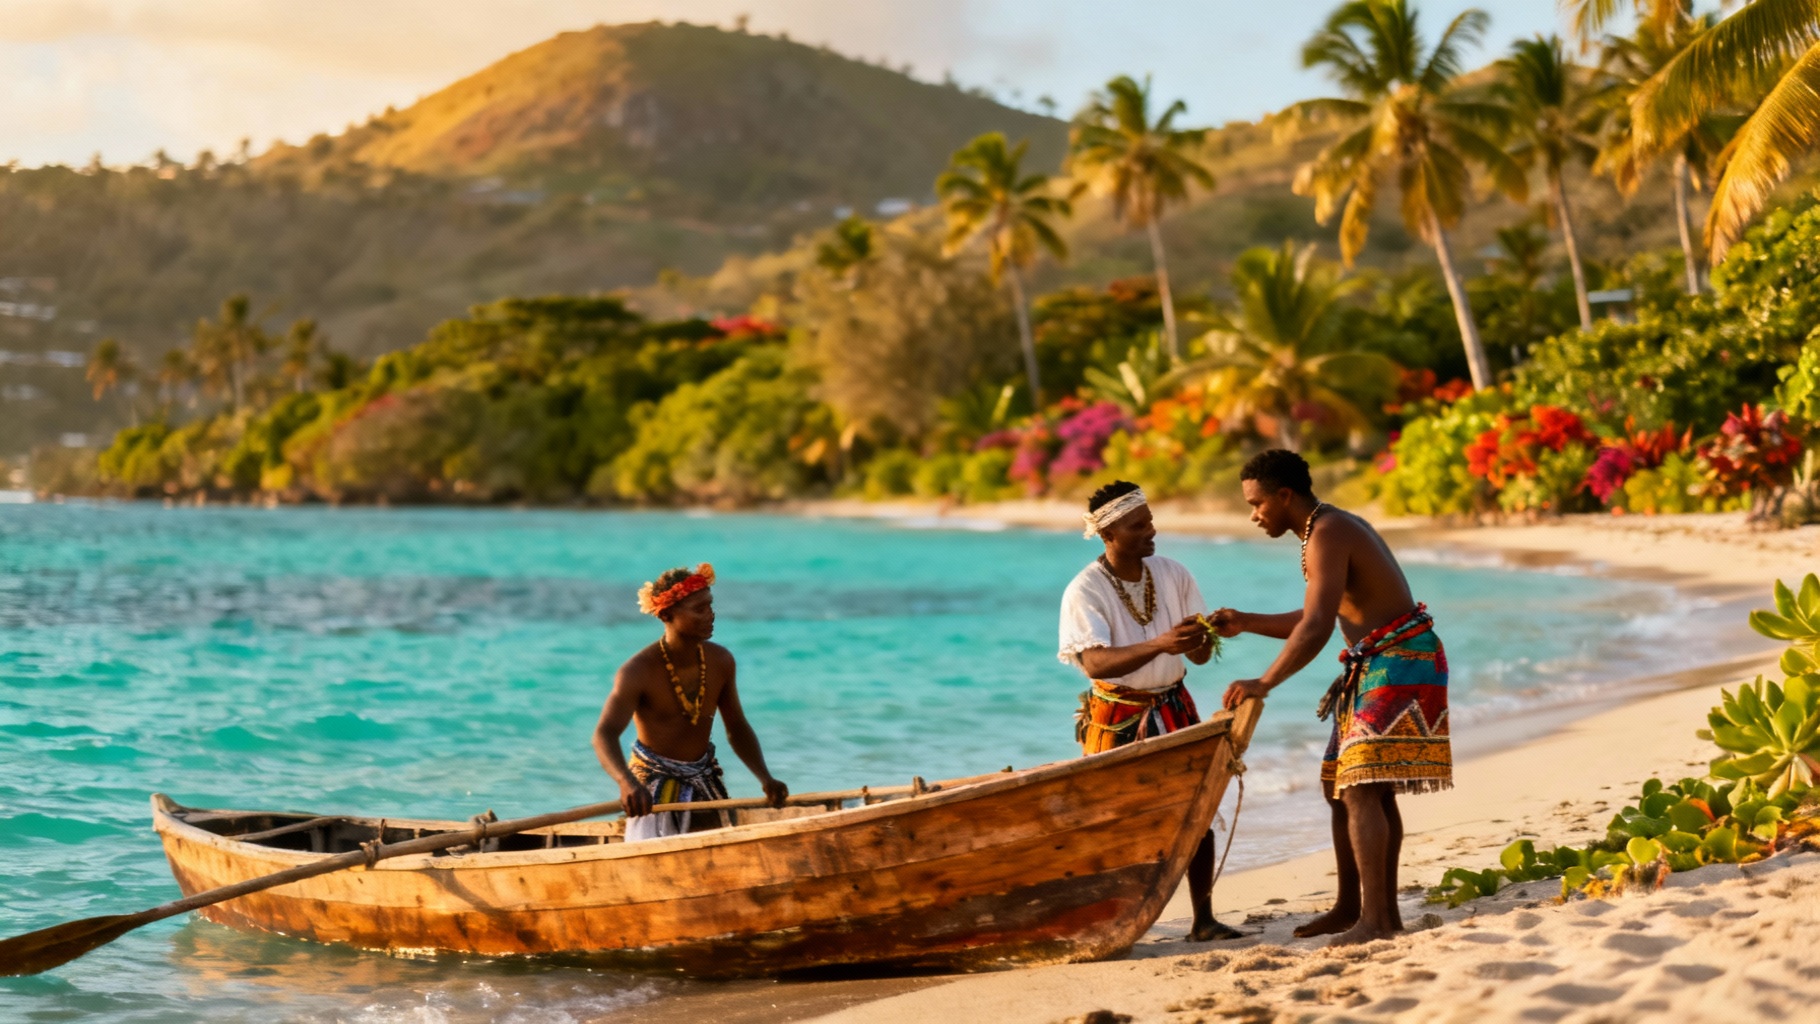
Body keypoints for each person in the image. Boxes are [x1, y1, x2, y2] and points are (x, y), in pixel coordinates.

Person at [1214, 450, 1451, 946]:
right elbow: (1316, 615)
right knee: (1342, 788)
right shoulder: (1321, 530)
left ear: (1284, 496)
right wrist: (1246, 622)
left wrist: (1264, 683)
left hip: (1400, 660)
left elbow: (1318, 627)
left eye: (1257, 504)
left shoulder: (1328, 531)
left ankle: (1379, 921)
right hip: (1382, 660)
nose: (1254, 515)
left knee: (1364, 787)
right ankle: (1353, 908)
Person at [1058, 480, 1242, 942]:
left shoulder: (1174, 573)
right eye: (1138, 525)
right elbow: (1094, 662)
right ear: (1109, 534)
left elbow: (1197, 657)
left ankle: (1203, 919)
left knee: (1196, 812)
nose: (1151, 530)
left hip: (1175, 704)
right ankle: (1109, 922)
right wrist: (1161, 642)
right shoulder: (1085, 589)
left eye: (1150, 520)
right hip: (1117, 714)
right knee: (1113, 819)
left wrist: (1203, 634)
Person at [593, 563, 788, 841]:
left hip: (704, 778)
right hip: (653, 789)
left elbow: (736, 726)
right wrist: (626, 782)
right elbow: (604, 735)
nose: (711, 615)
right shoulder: (637, 671)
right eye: (699, 609)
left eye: (710, 605)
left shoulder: (721, 661)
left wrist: (765, 778)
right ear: (668, 614)